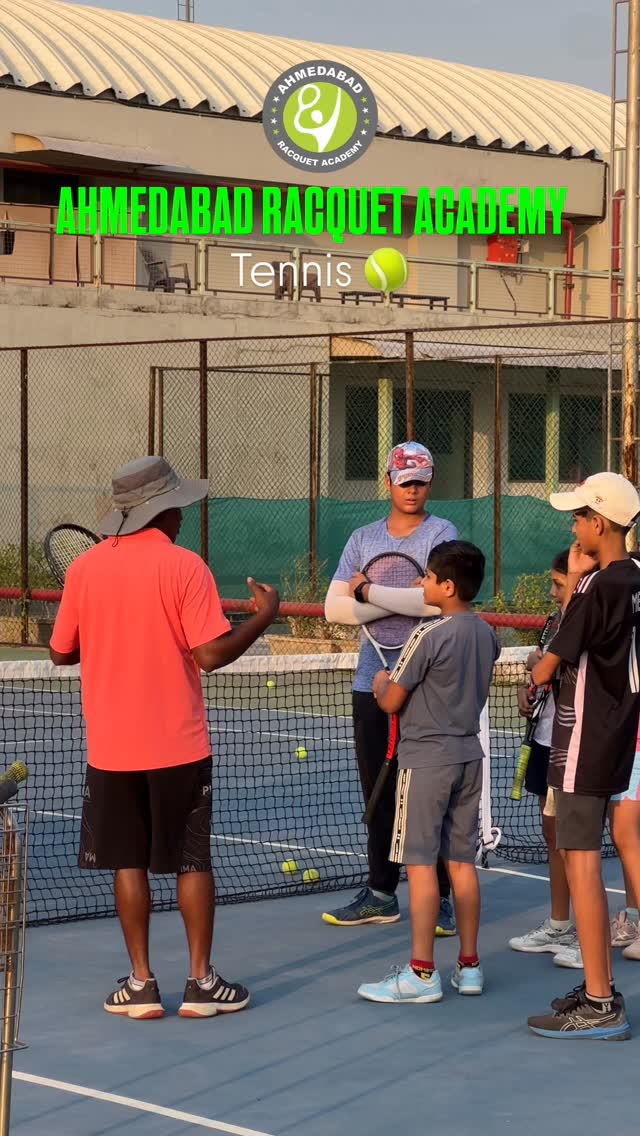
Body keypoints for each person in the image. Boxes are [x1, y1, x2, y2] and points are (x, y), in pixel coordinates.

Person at [49, 456, 280, 1020]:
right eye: (178, 505)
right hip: (178, 746)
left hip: (111, 749)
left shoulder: (85, 571)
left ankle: (140, 984)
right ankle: (201, 984)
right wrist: (263, 616)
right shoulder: (185, 567)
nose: (183, 514)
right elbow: (209, 655)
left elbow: (60, 650)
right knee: (192, 862)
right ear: (163, 510)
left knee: (128, 863)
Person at [323, 442, 458, 929]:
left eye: (420, 480)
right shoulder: (362, 538)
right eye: (404, 481)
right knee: (378, 791)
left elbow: (438, 603)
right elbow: (333, 609)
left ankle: (441, 896)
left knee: (430, 793)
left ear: (430, 481)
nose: (413, 489)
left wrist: (365, 591)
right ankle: (382, 892)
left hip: (429, 683)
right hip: (371, 680)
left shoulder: (442, 534)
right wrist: (392, 599)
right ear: (388, 483)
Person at [357, 541, 500, 1003]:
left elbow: (392, 700)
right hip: (468, 760)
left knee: (419, 867)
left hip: (425, 764)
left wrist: (381, 683)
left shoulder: (427, 635)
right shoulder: (489, 635)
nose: (422, 583)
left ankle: (420, 975)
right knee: (460, 864)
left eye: (429, 577)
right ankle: (470, 966)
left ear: (448, 586)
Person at [527, 472, 640, 1041]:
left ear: (599, 523)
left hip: (582, 739)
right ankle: (599, 990)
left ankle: (599, 1001)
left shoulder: (599, 585)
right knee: (583, 860)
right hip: (616, 737)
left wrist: (573, 585)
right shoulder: (635, 579)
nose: (572, 527)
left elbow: (548, 665)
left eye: (577, 517)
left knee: (581, 863)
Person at [509, 550, 581, 967]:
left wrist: (541, 666)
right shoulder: (555, 621)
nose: (552, 593)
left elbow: (561, 668)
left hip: (577, 742)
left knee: (579, 840)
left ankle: (599, 930)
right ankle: (560, 924)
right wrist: (528, 683)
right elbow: (539, 672)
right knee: (552, 833)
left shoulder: (591, 621)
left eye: (559, 584)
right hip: (545, 736)